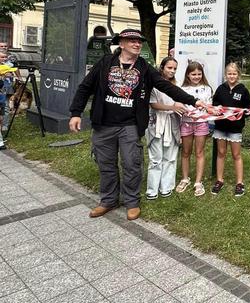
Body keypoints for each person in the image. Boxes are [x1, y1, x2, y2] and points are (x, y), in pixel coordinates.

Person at [69, 28, 204, 220]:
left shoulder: (144, 67)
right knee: (106, 164)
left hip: (130, 125)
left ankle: (131, 201)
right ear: (121, 43)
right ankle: (108, 200)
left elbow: (166, 86)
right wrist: (76, 113)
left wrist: (194, 101)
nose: (137, 44)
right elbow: (85, 87)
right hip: (104, 124)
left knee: (132, 163)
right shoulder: (106, 63)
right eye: (132, 40)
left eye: (139, 41)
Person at [146, 57, 188, 200]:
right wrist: (172, 107)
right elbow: (153, 104)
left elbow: (181, 103)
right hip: (156, 123)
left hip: (173, 122)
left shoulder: (177, 85)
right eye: (169, 68)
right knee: (156, 158)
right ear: (162, 67)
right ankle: (152, 189)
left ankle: (166, 187)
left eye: (175, 68)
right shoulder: (153, 83)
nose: (172, 71)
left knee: (170, 157)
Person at [211, 62, 250, 197]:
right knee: (221, 153)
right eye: (229, 74)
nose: (232, 76)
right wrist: (216, 109)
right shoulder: (220, 88)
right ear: (225, 75)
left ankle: (240, 183)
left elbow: (249, 108)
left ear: (238, 75)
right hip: (221, 127)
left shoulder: (243, 90)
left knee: (236, 155)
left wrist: (246, 112)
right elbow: (214, 104)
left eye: (234, 74)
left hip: (235, 128)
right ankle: (219, 180)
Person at [176, 61, 213, 197]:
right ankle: (185, 179)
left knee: (199, 152)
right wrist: (185, 111)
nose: (196, 76)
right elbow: (179, 105)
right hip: (186, 123)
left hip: (201, 123)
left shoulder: (207, 88)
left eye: (199, 74)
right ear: (188, 75)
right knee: (186, 152)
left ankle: (198, 182)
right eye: (193, 74)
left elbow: (209, 106)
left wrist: (211, 110)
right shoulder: (182, 88)